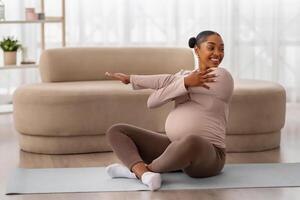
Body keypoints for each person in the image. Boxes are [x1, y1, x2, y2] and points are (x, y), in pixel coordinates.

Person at [104, 30, 234, 191]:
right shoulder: (185, 76)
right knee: (117, 131)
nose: (218, 53)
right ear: (197, 50)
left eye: (221, 49)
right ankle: (142, 172)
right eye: (211, 48)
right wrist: (131, 78)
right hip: (174, 148)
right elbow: (154, 99)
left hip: (209, 155)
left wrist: (182, 84)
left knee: (191, 140)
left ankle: (142, 171)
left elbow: (164, 86)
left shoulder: (222, 77)